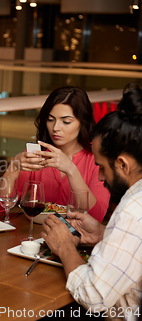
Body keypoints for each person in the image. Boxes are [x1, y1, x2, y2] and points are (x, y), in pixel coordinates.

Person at [42, 84, 142, 320]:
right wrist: (103, 234)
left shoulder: (132, 209)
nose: (99, 176)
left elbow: (93, 296)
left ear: (123, 164)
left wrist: (65, 246)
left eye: (102, 167)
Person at [0, 86, 110, 222]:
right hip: (36, 234)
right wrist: (14, 167)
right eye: (50, 119)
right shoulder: (36, 154)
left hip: (79, 239)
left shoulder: (98, 157)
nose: (55, 128)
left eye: (66, 121)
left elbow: (97, 217)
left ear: (83, 122)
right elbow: (0, 206)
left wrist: (71, 170)